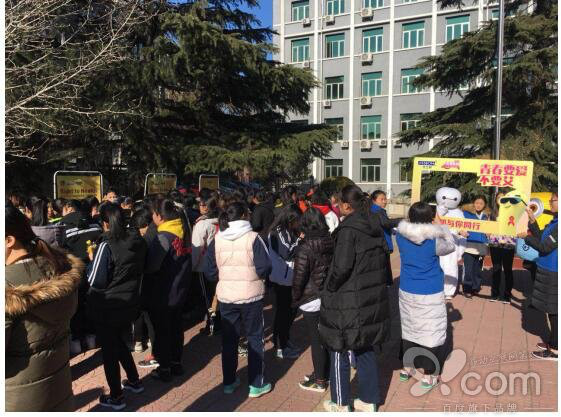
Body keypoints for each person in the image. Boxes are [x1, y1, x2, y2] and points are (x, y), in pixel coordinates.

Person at [319, 185, 390, 412]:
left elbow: (341, 267)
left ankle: (340, 403)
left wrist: (329, 287)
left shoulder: (348, 230)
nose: (336, 207)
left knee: (338, 345)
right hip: (370, 296)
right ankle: (369, 400)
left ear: (347, 205)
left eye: (338, 203)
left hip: (348, 298)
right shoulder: (374, 223)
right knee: (364, 345)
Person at [6, 205, 84, 411]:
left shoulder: (7, 286)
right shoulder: (57, 266)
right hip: (58, 390)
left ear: (9, 240)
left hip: (17, 400)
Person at [204, 201, 273, 398]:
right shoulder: (254, 238)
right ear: (244, 215)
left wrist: (224, 277)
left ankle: (229, 381)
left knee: (229, 340)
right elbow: (265, 267)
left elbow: (209, 271)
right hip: (251, 296)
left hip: (227, 297)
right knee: (255, 339)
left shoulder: (218, 239)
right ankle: (256, 384)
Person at [85, 204, 148, 410]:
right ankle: (134, 380)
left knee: (109, 352)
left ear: (105, 223)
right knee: (118, 342)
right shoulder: (138, 240)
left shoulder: (106, 245)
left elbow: (95, 280)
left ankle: (116, 396)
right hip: (129, 302)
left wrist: (91, 261)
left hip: (107, 305)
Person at [395, 202, 456, 390]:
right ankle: (430, 374)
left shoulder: (400, 235)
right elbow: (451, 246)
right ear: (430, 218)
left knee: (409, 328)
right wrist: (442, 227)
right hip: (430, 290)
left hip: (407, 288)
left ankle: (407, 367)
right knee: (431, 332)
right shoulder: (434, 240)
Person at [143, 199, 192, 381]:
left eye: (153, 214)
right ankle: (176, 363)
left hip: (164, 291)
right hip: (180, 288)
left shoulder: (163, 237)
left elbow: (152, 266)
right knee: (176, 327)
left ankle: (164, 369)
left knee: (163, 331)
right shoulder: (184, 230)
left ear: (160, 216)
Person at [292, 207, 333, 393]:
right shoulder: (330, 240)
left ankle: (320, 380)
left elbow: (299, 277)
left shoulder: (305, 247)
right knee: (325, 337)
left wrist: (295, 297)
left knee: (316, 340)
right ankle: (324, 372)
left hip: (311, 297)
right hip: (327, 294)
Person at [59, 199, 103, 354]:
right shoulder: (95, 223)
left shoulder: (62, 226)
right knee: (91, 303)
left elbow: (60, 249)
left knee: (75, 306)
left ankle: (76, 341)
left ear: (68, 208)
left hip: (75, 271)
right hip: (94, 269)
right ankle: (92, 338)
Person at [520, 192, 558, 360]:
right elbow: (542, 237)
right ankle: (553, 341)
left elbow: (544, 247)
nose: (550, 203)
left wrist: (526, 238)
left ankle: (555, 349)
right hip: (548, 268)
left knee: (554, 310)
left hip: (554, 271)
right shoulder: (555, 221)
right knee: (552, 308)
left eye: (553, 200)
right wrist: (532, 219)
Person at [268, 204, 303, 359]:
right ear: (290, 219)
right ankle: (280, 345)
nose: (298, 223)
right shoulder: (278, 232)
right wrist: (300, 240)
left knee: (290, 311)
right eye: (297, 220)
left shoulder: (288, 231)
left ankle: (284, 339)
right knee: (284, 313)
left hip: (289, 277)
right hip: (281, 279)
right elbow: (287, 252)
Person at [191, 196, 221, 334]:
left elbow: (197, 248)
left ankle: (212, 324)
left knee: (208, 296)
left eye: (203, 205)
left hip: (205, 265)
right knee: (218, 294)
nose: (200, 207)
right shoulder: (222, 220)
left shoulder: (202, 224)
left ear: (207, 207)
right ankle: (219, 320)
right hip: (221, 262)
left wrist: (193, 266)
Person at [130, 207, 156, 353]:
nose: (139, 232)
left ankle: (141, 341)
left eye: (140, 228)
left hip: (143, 281)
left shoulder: (146, 239)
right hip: (151, 282)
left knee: (143, 312)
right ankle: (147, 340)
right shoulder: (156, 235)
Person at [488, 192, 516, 303]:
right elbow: (487, 227)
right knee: (496, 269)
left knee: (508, 270)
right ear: (496, 200)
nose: (501, 199)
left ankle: (507, 295)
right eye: (499, 197)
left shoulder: (514, 213)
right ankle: (495, 294)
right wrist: (488, 233)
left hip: (508, 245)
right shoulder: (492, 214)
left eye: (504, 197)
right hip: (495, 245)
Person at [371, 190, 402, 287]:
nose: (385, 201)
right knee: (384, 264)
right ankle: (386, 284)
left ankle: (386, 283)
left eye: (385, 199)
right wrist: (400, 221)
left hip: (379, 241)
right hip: (383, 242)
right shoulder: (377, 210)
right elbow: (385, 223)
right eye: (382, 199)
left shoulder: (373, 210)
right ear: (374, 200)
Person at [461, 195, 489, 299]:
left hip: (481, 247)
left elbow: (490, 229)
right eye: (477, 203)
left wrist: (489, 234)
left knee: (477, 270)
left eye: (481, 203)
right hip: (469, 246)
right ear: (473, 203)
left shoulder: (486, 216)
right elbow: (459, 225)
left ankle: (476, 287)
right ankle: (467, 288)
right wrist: (461, 231)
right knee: (468, 269)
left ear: (484, 205)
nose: (478, 205)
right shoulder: (466, 214)